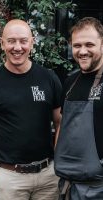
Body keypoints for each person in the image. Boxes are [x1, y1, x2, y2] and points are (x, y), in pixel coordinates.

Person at [0, 19, 62, 200]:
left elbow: (61, 122)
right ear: (2, 43)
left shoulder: (49, 78)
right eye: (11, 41)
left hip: (48, 177)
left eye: (23, 41)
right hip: (9, 179)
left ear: (32, 42)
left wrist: (58, 164)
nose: (17, 47)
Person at [54, 17, 103, 200]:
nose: (82, 51)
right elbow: (63, 125)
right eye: (77, 45)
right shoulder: (70, 82)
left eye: (89, 44)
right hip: (68, 187)